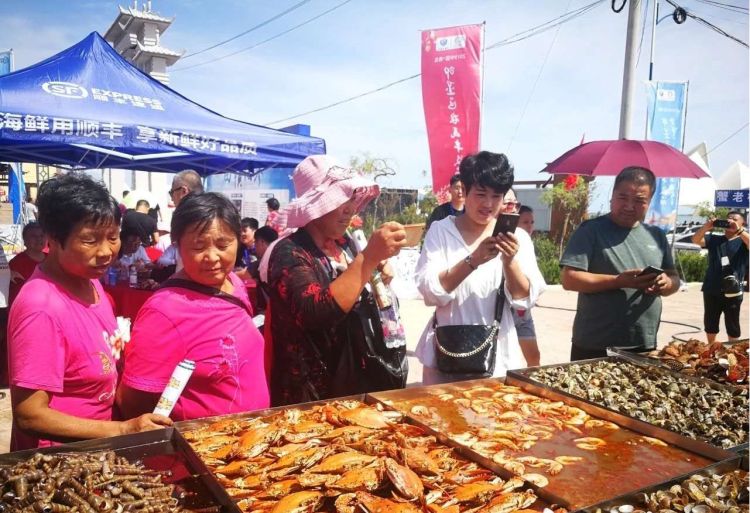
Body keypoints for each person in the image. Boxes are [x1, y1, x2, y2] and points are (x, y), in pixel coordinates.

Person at [7, 172, 171, 451]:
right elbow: (29, 414)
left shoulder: (91, 281)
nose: (107, 251)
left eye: (113, 237)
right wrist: (123, 429)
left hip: (101, 448)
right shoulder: (41, 307)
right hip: (60, 462)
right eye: (90, 240)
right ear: (54, 240)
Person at [267, 155, 407, 406]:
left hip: (354, 385)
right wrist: (368, 260)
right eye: (341, 199)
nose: (349, 208)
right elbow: (316, 311)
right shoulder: (289, 252)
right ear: (316, 205)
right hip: (310, 399)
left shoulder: (346, 245)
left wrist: (374, 268)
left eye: (351, 198)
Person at [118, 192, 269, 421]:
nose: (212, 257)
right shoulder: (163, 311)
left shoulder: (233, 283)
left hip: (251, 441)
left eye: (223, 244)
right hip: (199, 448)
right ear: (178, 246)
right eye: (198, 247)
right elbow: (133, 401)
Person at [415, 152, 545, 384]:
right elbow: (430, 291)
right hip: (446, 355)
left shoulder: (518, 238)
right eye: (481, 194)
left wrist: (509, 262)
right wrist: (472, 260)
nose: (488, 204)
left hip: (497, 359)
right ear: (464, 191)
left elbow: (524, 299)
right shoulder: (440, 231)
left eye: (496, 196)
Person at [561, 166, 680, 360]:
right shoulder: (591, 230)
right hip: (595, 344)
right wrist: (619, 281)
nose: (629, 206)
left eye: (639, 201)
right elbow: (569, 279)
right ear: (612, 196)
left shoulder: (656, 235)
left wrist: (666, 283)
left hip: (643, 343)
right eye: (623, 198)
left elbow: (674, 278)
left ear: (649, 202)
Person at [691, 211, 749, 342]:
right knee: (710, 322)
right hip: (712, 287)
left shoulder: (743, 241)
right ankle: (711, 350)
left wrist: (739, 231)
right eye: (728, 219)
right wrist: (706, 227)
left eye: (734, 219)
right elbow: (695, 240)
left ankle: (733, 352)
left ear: (742, 223)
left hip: (733, 290)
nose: (730, 222)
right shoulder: (714, 239)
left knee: (732, 323)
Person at [505, 194, 542, 368]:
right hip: (504, 311)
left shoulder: (524, 242)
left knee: (534, 359)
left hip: (522, 313)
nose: (529, 227)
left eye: (532, 222)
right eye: (525, 222)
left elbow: (530, 287)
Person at [158, 170, 205, 270]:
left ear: (183, 191)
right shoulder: (215, 210)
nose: (172, 198)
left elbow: (184, 261)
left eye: (171, 193)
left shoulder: (185, 216)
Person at [9, 222, 46, 304]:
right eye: (33, 236)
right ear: (24, 240)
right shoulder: (16, 264)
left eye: (42, 235)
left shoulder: (53, 260)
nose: (39, 239)